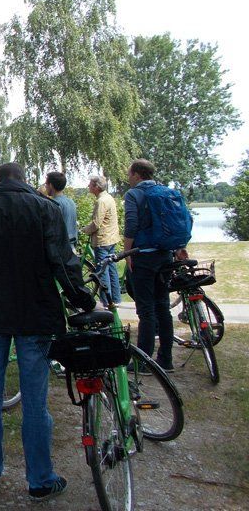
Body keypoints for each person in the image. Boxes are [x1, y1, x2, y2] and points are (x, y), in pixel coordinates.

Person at [0, 162, 95, 502]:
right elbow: (62, 261)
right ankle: (40, 480)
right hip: (36, 314)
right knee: (35, 400)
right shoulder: (46, 209)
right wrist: (82, 299)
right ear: (25, 180)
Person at [124, 159, 188, 373]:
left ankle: (143, 361)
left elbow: (131, 224)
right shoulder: (166, 192)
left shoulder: (134, 194)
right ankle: (166, 360)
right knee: (162, 307)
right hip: (165, 255)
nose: (128, 178)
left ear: (137, 174)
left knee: (146, 310)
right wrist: (178, 247)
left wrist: (127, 252)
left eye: (129, 174)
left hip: (143, 256)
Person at [80, 175, 121, 305]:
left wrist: (84, 230)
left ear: (96, 187)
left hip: (102, 240)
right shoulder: (109, 197)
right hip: (111, 238)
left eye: (90, 184)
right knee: (112, 269)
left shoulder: (101, 201)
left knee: (102, 272)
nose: (88, 186)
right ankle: (116, 299)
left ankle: (107, 302)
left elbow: (96, 224)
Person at [44, 171, 78, 253]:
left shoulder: (53, 204)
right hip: (72, 245)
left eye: (46, 184)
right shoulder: (71, 202)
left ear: (51, 185)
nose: (45, 187)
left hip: (61, 248)